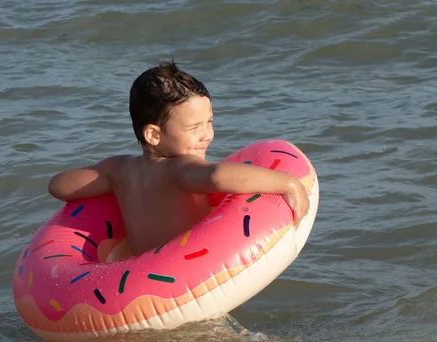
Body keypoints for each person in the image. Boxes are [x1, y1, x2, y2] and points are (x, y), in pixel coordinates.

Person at [48, 61, 310, 256]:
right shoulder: (180, 169)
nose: (207, 135)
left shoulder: (119, 169)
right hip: (185, 282)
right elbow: (218, 177)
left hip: (142, 277)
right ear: (153, 134)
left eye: (209, 122)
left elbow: (59, 186)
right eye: (194, 128)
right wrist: (287, 183)